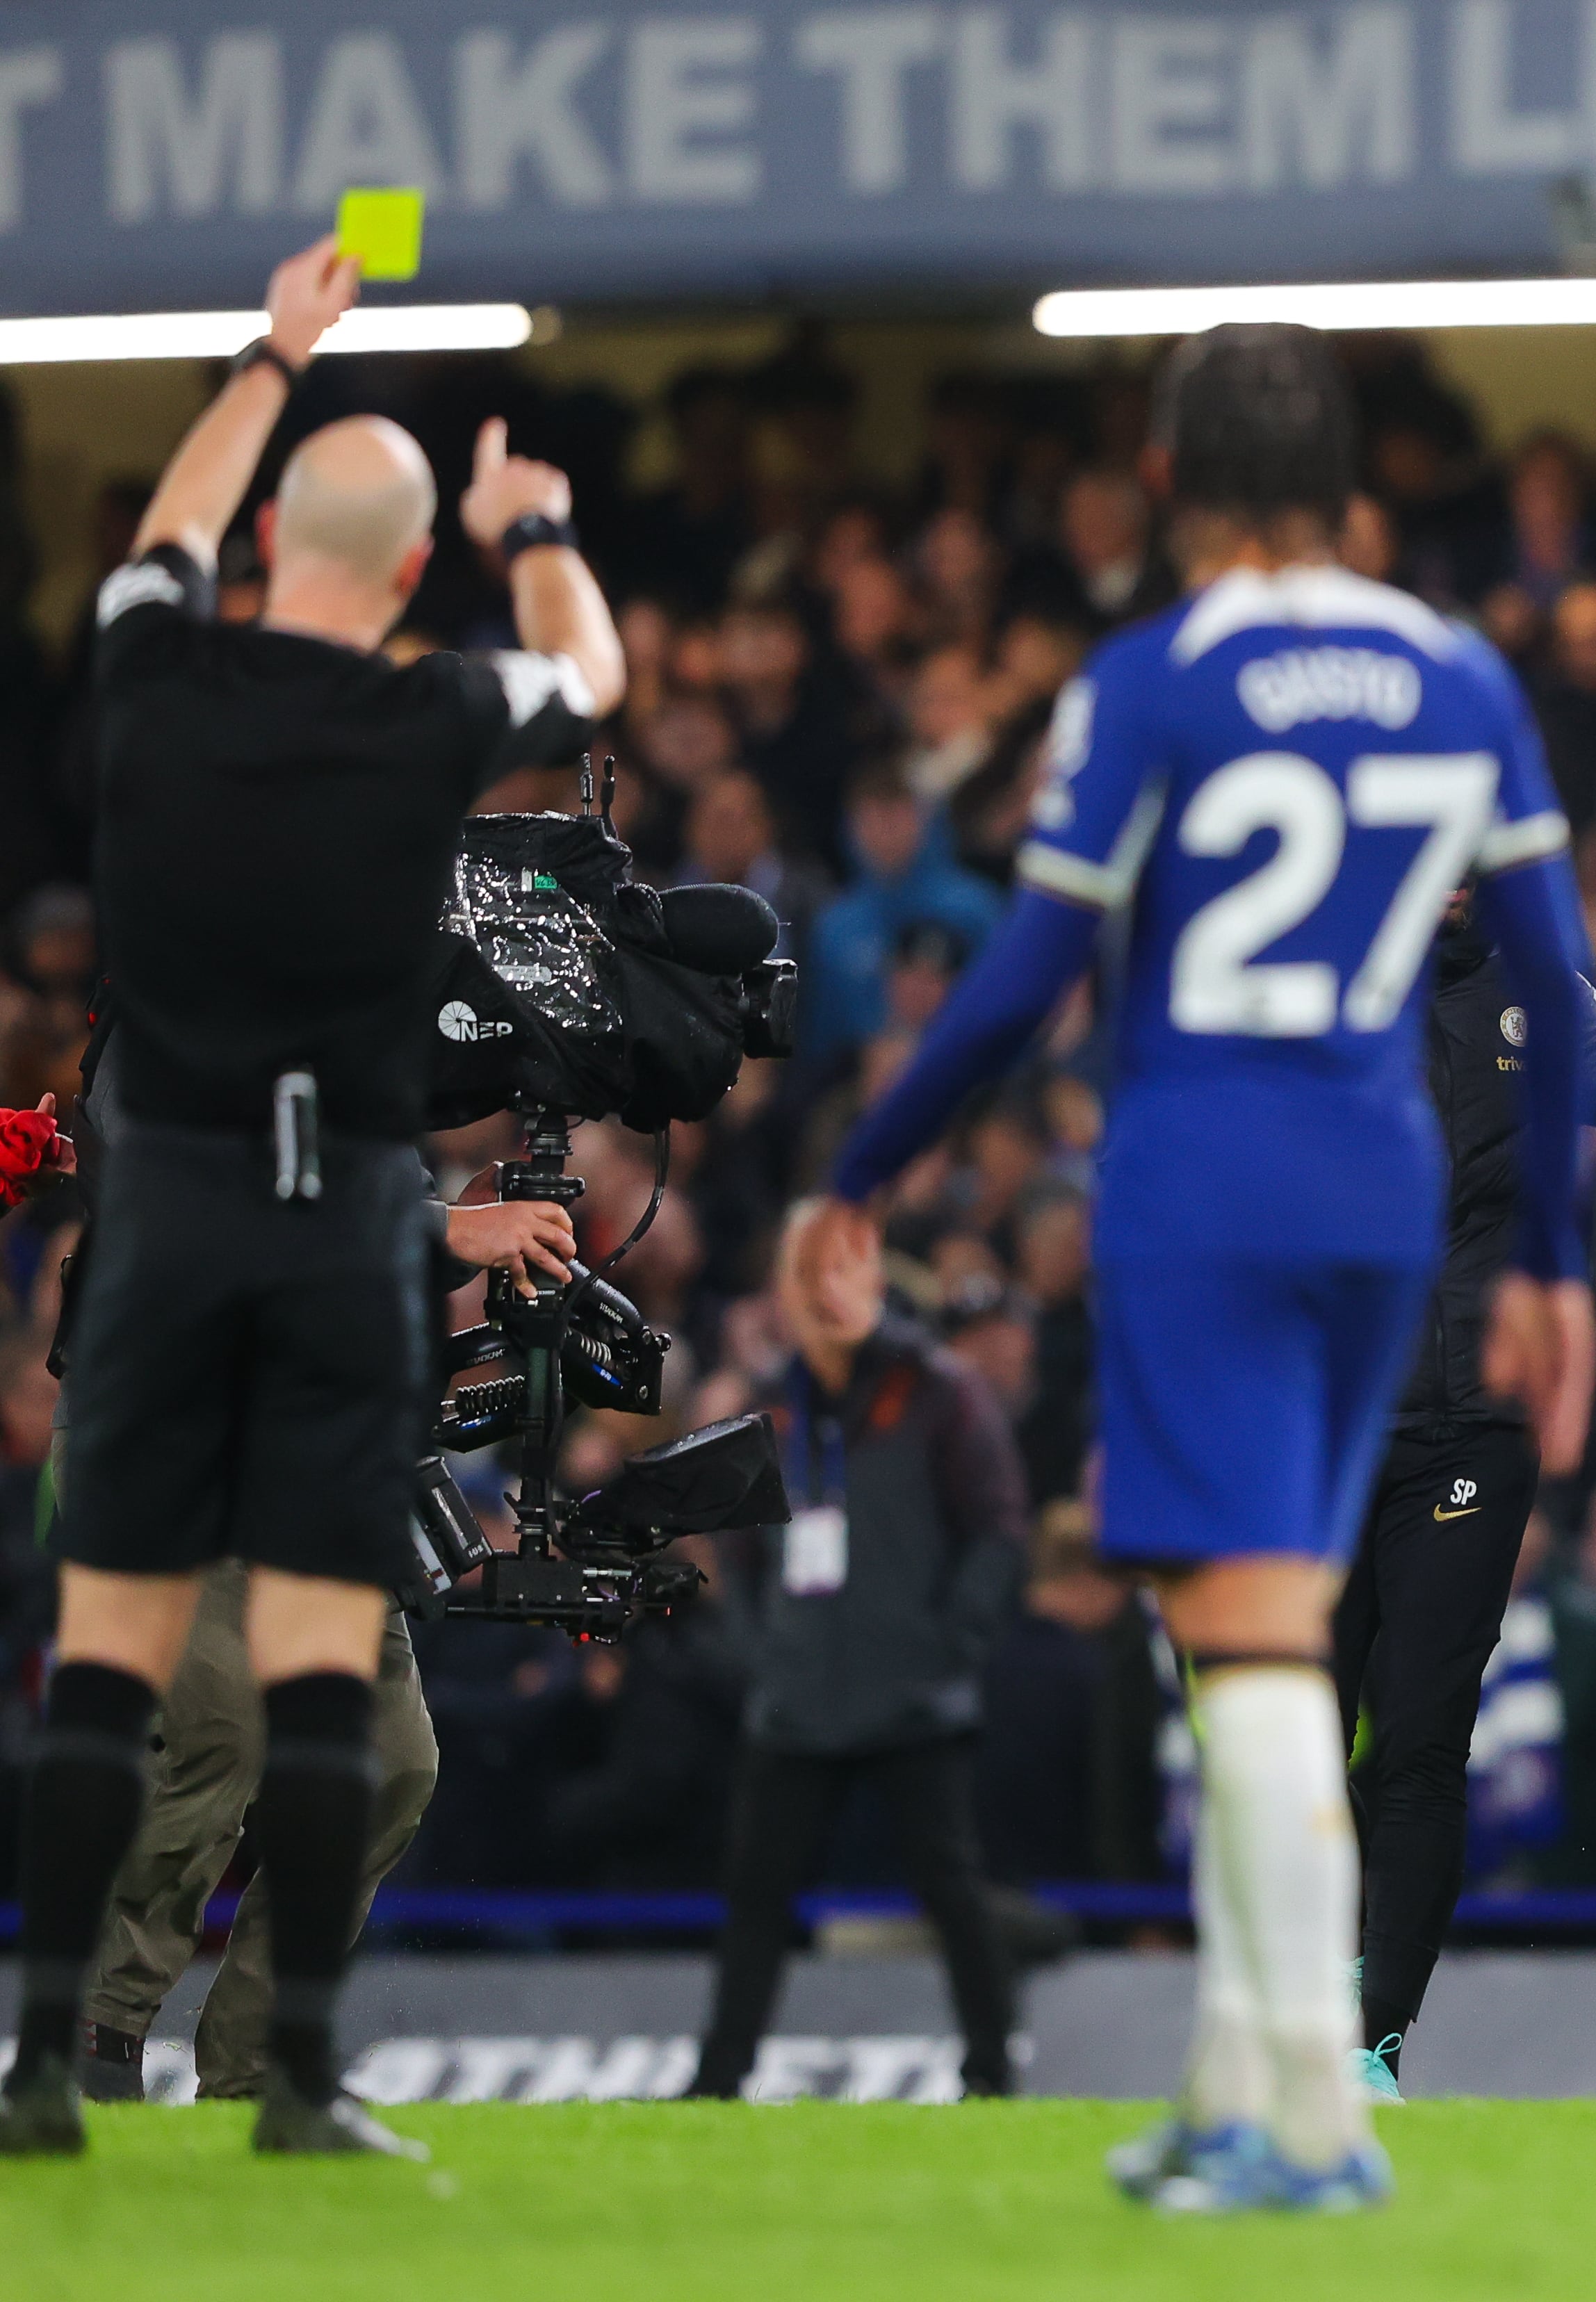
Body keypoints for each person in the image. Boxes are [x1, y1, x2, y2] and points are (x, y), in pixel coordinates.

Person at [801, 323, 1596, 2214]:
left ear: (1164, 483)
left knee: (1243, 1645)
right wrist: (1558, 1257)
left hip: (1201, 1187)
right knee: (1269, 1625)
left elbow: (1022, 976)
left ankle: (1313, 2114)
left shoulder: (1149, 679)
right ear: (1349, 485)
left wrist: (864, 1167)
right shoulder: (1460, 670)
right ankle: (1239, 2077)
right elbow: (1557, 999)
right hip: (1383, 1203)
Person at [3, 237, 619, 2161]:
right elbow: (592, 671)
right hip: (344, 1221)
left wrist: (272, 359)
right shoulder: (429, 714)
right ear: (414, 572)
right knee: (322, 1670)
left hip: (169, 1219)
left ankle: (36, 2078)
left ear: (267, 536)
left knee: (110, 1662)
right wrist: (538, 523)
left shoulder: (156, 669)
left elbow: (157, 545)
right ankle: (306, 2090)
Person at [1326, 888, 1596, 2103]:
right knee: (1294, 1735)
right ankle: (1283, 2019)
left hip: (1474, 1420)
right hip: (1317, 1422)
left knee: (1416, 1739)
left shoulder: (1539, 994)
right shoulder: (1296, 983)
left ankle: (1371, 2040)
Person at [72, 1186, 576, 2103]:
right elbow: (215, 1203)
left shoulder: (381, 1091)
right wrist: (436, 1225)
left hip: (319, 1470)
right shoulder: (190, 1058)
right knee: (229, 1729)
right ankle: (102, 2028)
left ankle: (256, 2062)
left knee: (392, 1761)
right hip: (181, 1453)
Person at [685, 1203, 1030, 2102]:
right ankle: (719, 2079)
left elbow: (998, 1530)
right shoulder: (770, 1403)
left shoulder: (939, 1390)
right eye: (804, 1277)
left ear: (874, 1281)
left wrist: (949, 1643)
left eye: (840, 1271)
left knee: (951, 1888)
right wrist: (762, 1650)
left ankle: (993, 2070)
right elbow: (739, 1545)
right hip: (797, 1691)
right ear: (785, 1297)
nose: (823, 1293)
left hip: (912, 1690)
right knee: (756, 1894)